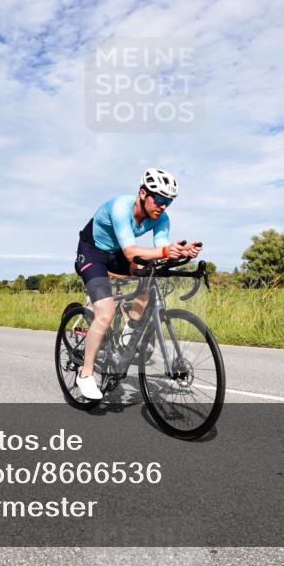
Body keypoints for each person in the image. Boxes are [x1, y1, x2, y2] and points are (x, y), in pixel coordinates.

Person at [73, 168, 202, 400]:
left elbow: (160, 251)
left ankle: (128, 333)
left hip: (117, 253)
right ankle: (85, 374)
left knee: (149, 274)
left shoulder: (162, 219)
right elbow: (132, 251)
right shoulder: (120, 207)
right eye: (160, 199)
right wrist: (164, 250)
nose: (163, 206)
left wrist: (180, 253)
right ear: (143, 193)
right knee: (106, 312)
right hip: (92, 252)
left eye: (168, 202)